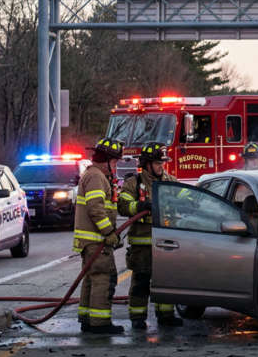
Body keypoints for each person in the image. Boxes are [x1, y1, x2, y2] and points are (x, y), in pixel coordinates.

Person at [118, 143, 183, 330]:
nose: (161, 166)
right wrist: (140, 206)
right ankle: (138, 318)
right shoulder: (134, 182)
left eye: (162, 162)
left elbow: (186, 198)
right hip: (142, 244)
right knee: (141, 281)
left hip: (167, 242)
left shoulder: (170, 181)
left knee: (166, 280)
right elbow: (123, 205)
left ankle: (166, 315)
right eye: (157, 163)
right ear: (146, 164)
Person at [74, 137, 124, 334]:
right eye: (115, 162)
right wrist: (109, 233)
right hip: (96, 240)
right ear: (107, 159)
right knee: (104, 278)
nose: (116, 165)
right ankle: (100, 322)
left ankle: (87, 319)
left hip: (91, 241)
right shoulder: (96, 176)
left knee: (91, 279)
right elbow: (95, 209)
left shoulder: (95, 174)